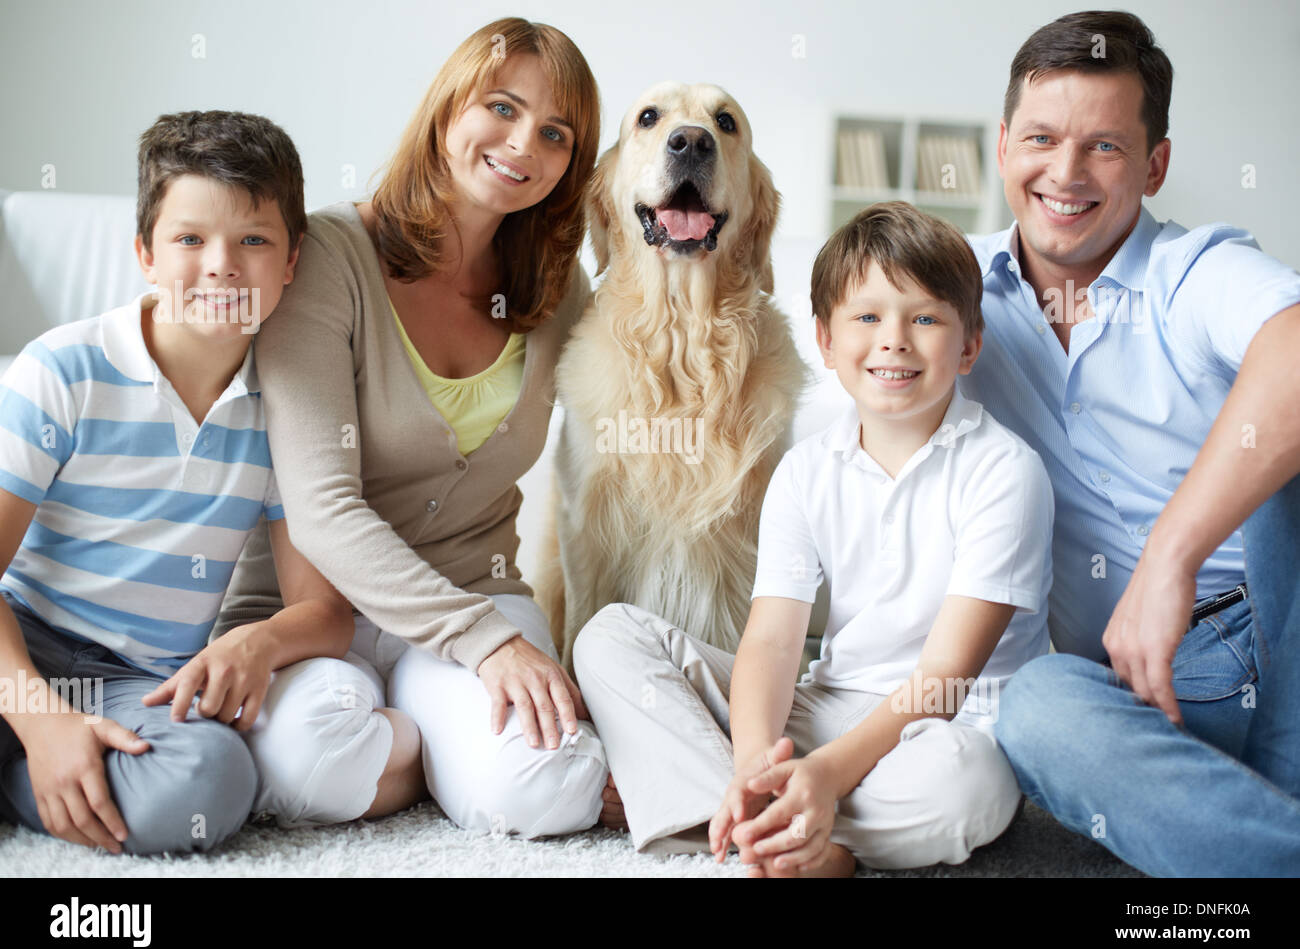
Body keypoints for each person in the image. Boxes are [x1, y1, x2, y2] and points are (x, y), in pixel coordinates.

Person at [573, 201, 1055, 876]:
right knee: (608, 638)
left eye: (925, 318)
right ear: (826, 342)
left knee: (965, 786)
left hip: (948, 725)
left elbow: (945, 680)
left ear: (969, 344)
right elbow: (771, 640)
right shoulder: (805, 468)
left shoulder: (1006, 471)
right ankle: (767, 813)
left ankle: (779, 830)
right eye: (867, 317)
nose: (894, 340)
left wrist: (825, 773)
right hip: (830, 706)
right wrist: (753, 762)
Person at [214, 18, 609, 836]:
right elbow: (322, 509)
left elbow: (648, 385)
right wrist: (482, 643)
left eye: (555, 132)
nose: (522, 143)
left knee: (549, 792)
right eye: (500, 107)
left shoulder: (558, 289)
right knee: (303, 769)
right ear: (446, 108)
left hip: (481, 589)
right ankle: (432, 754)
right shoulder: (327, 256)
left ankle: (437, 748)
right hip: (322, 612)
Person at [960, 11, 1300, 875]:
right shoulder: (944, 295)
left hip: (1278, 633)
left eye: (1104, 148)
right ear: (1004, 146)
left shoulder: (1196, 271)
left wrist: (1169, 558)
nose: (1065, 174)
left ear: (1154, 165)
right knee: (1033, 707)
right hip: (1143, 700)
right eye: (1041, 138)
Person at [0, 111, 355, 855]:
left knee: (213, 777)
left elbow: (323, 611)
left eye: (253, 240)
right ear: (146, 255)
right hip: (17, 648)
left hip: (142, 682)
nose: (222, 265)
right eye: (190, 239)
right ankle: (49, 759)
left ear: (292, 261)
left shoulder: (285, 407)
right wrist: (40, 718)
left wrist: (258, 642)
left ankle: (39, 776)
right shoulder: (62, 370)